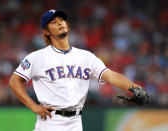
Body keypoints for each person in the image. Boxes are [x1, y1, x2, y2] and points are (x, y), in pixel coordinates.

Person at [9, 9, 149, 131]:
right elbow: (14, 81)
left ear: (68, 26)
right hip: (50, 122)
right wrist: (33, 106)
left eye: (61, 20)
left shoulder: (85, 57)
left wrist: (135, 87)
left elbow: (111, 76)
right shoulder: (37, 57)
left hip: (75, 123)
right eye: (53, 22)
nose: (59, 23)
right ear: (46, 31)